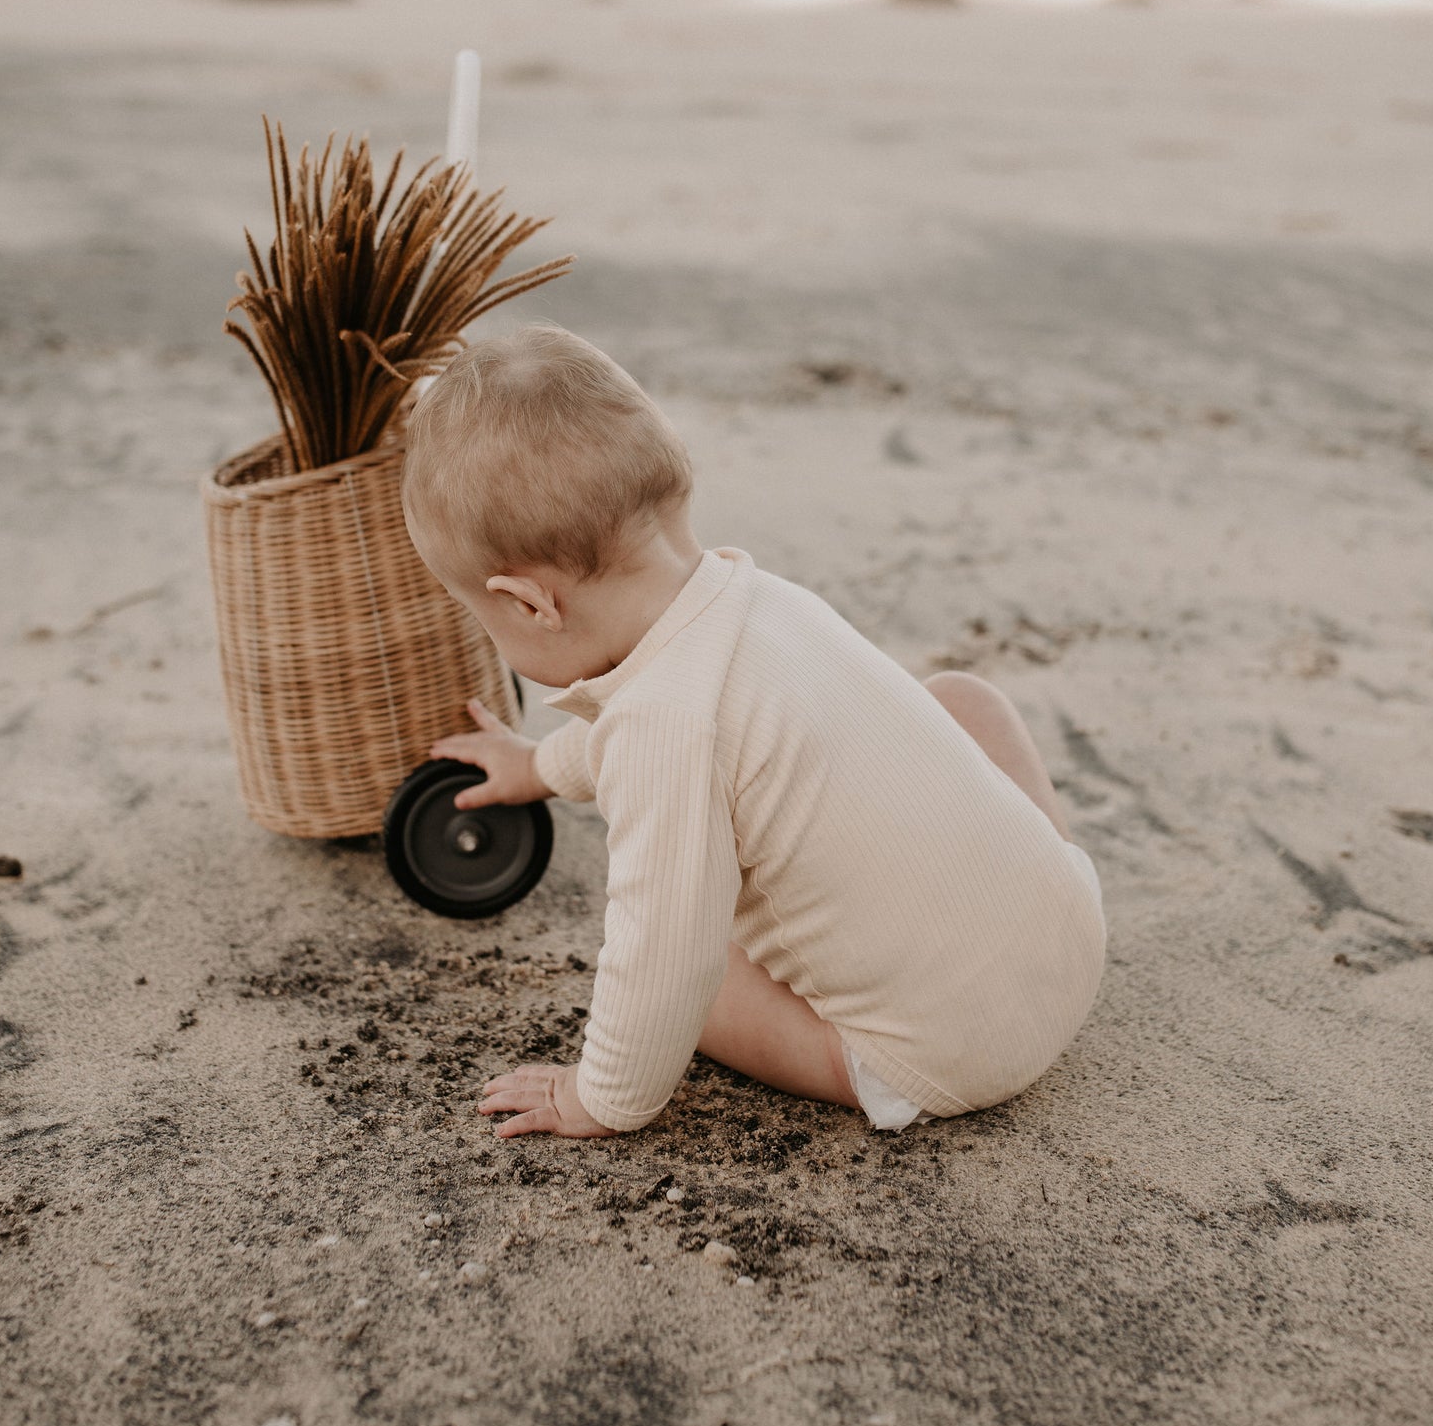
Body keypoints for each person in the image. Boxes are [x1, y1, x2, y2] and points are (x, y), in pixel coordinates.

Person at [401, 324, 1105, 1140]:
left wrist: (601, 1096)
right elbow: (679, 724)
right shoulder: (758, 598)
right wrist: (542, 768)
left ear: (529, 603)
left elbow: (666, 952)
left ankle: (878, 1052)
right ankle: (1027, 904)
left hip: (953, 1050)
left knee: (697, 978)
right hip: (1070, 942)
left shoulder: (661, 726)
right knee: (959, 698)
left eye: (483, 617)